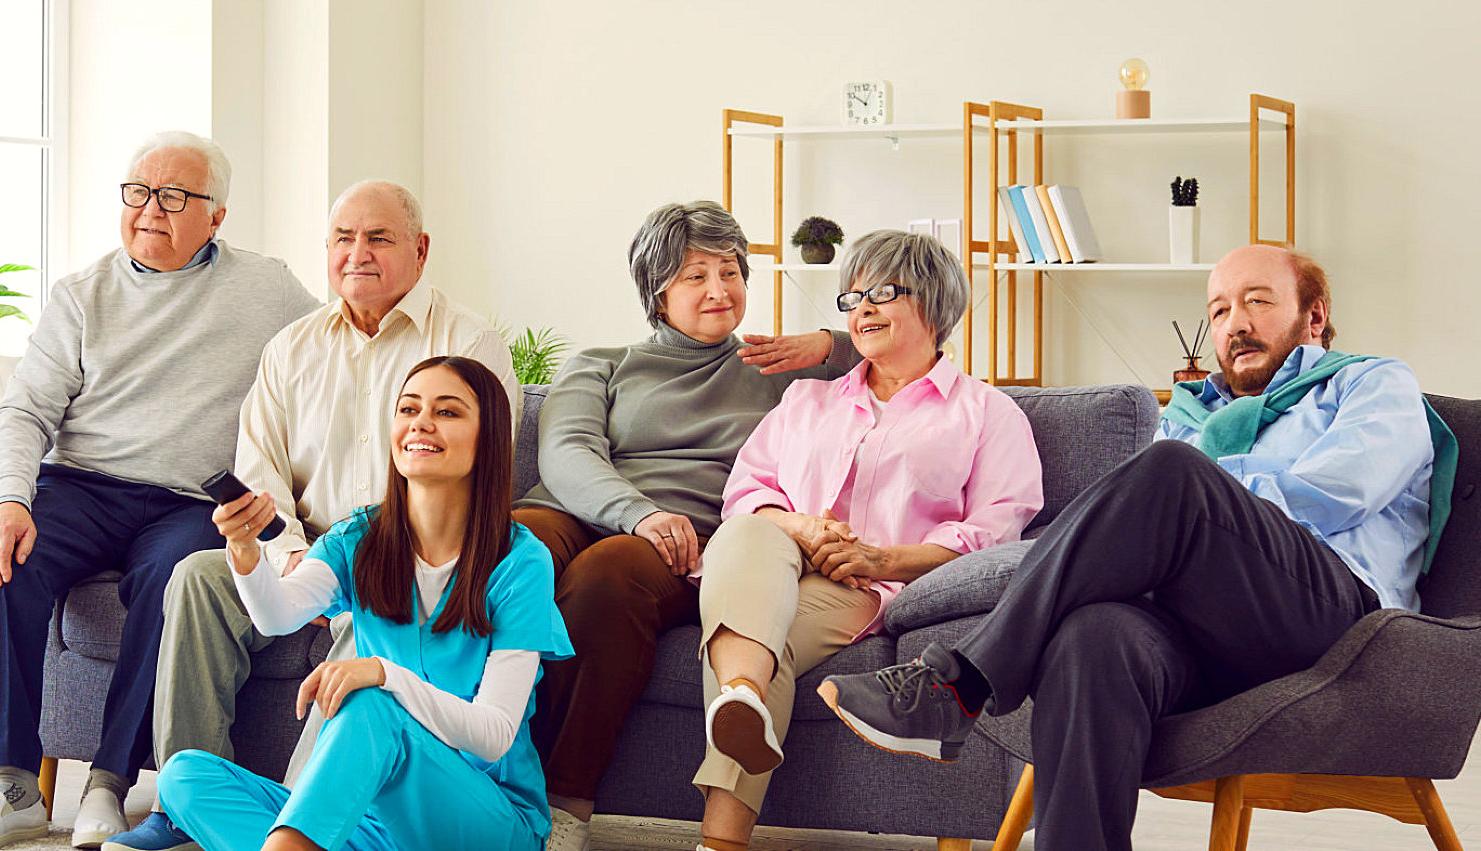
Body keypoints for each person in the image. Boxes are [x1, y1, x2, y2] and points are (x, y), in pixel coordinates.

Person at [820, 244, 1449, 851]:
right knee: (1093, 636)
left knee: (1173, 473)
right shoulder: (1196, 414)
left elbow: (1344, 490)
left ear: (1313, 316)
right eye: (1221, 310)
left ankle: (960, 684)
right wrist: (1185, 512)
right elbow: (1144, 528)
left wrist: (1209, 498)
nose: (1236, 323)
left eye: (1258, 301)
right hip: (1204, 630)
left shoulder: (1370, 383)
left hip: (1333, 616)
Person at [102, 181, 517, 851]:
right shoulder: (292, 347)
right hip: (301, 548)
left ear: (420, 249)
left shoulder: (468, 342)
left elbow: (475, 473)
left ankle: (314, 824)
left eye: (379, 237)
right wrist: (287, 553)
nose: (359, 252)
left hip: (404, 554)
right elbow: (260, 464)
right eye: (343, 238)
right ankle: (181, 811)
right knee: (198, 578)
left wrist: (354, 564)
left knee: (380, 611)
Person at [0, 132, 320, 849]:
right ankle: (15, 785)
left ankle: (108, 785)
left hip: (187, 501)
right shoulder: (82, 294)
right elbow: (23, 410)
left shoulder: (266, 288)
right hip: (81, 485)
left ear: (216, 217)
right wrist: (6, 500)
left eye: (174, 196)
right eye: (137, 192)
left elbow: (334, 345)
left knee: (174, 580)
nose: (150, 210)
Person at [511, 200, 863, 851]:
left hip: (685, 547)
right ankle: (437, 768)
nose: (719, 289)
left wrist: (831, 342)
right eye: (695, 275)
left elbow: (908, 359)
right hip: (582, 510)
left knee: (608, 574)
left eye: (730, 271)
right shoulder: (602, 363)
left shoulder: (780, 370)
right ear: (657, 289)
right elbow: (565, 453)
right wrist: (638, 512)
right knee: (508, 549)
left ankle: (562, 804)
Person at [689, 230, 1043, 851]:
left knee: (758, 643)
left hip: (865, 584)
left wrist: (877, 558)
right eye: (851, 299)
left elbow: (996, 532)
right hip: (767, 558)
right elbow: (745, 494)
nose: (862, 310)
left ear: (934, 304)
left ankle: (721, 831)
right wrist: (802, 526)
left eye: (882, 292)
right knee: (751, 533)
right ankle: (740, 695)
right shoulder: (806, 398)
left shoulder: (988, 414)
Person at [156, 356, 572, 851]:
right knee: (183, 776)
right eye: (408, 408)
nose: (421, 422)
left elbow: (494, 734)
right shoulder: (359, 537)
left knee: (374, 702)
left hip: (486, 818)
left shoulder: (520, 561)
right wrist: (245, 551)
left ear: (489, 439)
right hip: (375, 823)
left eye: (448, 412)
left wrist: (384, 674)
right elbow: (277, 614)